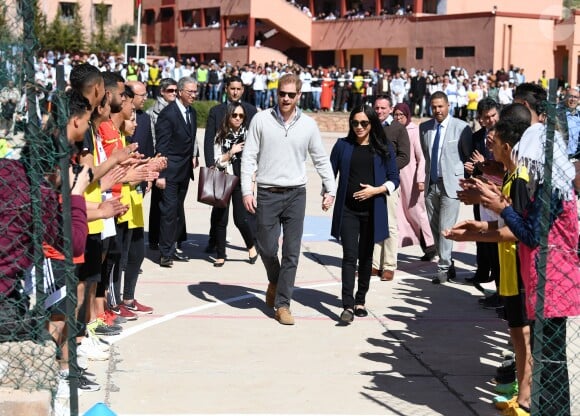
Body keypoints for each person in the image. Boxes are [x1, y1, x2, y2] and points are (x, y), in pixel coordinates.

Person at [444, 105, 533, 415]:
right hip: (508, 271)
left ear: (507, 145)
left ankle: (526, 398)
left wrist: (479, 224)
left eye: (493, 143)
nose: (489, 148)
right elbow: (502, 227)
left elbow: (517, 232)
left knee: (523, 337)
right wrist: (475, 229)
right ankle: (522, 394)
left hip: (521, 271)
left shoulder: (520, 178)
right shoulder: (510, 175)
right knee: (516, 334)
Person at [241, 73, 336, 325]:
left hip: (296, 194)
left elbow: (320, 158)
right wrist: (246, 190)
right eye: (282, 93)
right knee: (267, 247)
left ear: (298, 96)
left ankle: (283, 305)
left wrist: (330, 188)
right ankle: (274, 279)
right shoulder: (261, 120)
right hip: (267, 193)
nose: (285, 98)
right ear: (276, 93)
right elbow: (249, 156)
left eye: (290, 95)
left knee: (292, 253)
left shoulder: (308, 125)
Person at [330, 106, 399, 323]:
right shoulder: (342, 146)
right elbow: (329, 173)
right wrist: (327, 194)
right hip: (348, 211)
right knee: (350, 256)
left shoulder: (383, 147)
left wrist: (376, 190)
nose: (359, 127)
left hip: (372, 210)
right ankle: (348, 305)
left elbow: (394, 178)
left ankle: (361, 300)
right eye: (355, 123)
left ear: (372, 124)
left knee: (366, 256)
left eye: (364, 123)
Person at [419, 91, 472, 284]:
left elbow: (467, 156)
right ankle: (448, 264)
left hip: (451, 185)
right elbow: (427, 155)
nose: (437, 110)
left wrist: (467, 182)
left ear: (448, 106)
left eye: (440, 106)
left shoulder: (461, 127)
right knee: (434, 227)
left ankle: (443, 267)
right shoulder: (424, 128)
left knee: (445, 227)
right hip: (432, 183)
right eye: (434, 107)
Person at [203, 76, 257, 254]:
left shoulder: (250, 110)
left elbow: (257, 142)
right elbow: (209, 139)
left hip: (243, 169)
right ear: (226, 89)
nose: (235, 92)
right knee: (219, 210)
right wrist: (211, 164)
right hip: (222, 166)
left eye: (238, 89)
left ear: (242, 90)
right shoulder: (216, 111)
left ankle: (253, 242)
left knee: (245, 212)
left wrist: (255, 171)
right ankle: (214, 241)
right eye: (232, 88)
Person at [155, 76, 199, 267]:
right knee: (168, 212)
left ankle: (172, 248)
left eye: (195, 91)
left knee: (177, 212)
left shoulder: (192, 112)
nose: (193, 95)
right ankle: (164, 252)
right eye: (190, 91)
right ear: (180, 92)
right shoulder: (168, 114)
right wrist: (161, 174)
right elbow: (162, 146)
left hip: (184, 170)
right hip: (170, 171)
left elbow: (191, 139)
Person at [211, 102, 257, 267]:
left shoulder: (249, 136)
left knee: (241, 219)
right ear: (229, 116)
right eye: (234, 115)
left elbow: (254, 162)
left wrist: (251, 183)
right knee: (221, 219)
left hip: (241, 181)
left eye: (241, 116)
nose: (238, 118)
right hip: (224, 179)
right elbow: (217, 161)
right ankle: (221, 254)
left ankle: (251, 245)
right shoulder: (220, 135)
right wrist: (231, 152)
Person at [371, 95, 410, 281]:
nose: (379, 111)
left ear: (390, 109)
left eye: (383, 108)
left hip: (389, 183)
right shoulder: (368, 125)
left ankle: (388, 266)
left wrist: (388, 169)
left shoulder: (398, 128)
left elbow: (405, 156)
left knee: (390, 224)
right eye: (377, 108)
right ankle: (373, 264)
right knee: (372, 223)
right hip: (370, 182)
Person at [392, 103, 435, 259]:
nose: (398, 118)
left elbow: (421, 157)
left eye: (401, 115)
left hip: (412, 179)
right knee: (401, 214)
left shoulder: (414, 131)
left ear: (407, 115)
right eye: (395, 115)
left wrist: (421, 178)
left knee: (417, 213)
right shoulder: (392, 130)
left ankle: (430, 245)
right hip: (397, 178)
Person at [146, 78, 181, 251]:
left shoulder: (180, 108)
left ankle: (172, 238)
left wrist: (195, 153)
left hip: (176, 162)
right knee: (159, 203)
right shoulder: (153, 113)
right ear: (162, 91)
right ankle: (155, 239)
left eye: (176, 91)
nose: (174, 94)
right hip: (161, 161)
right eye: (170, 91)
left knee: (172, 204)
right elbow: (154, 141)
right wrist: (157, 169)